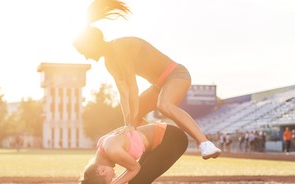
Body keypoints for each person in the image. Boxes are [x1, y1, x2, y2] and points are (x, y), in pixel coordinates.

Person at [73, 0, 221, 160]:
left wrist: (130, 123)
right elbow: (124, 94)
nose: (86, 56)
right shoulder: (109, 62)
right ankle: (153, 144)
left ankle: (206, 143)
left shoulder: (120, 48)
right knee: (133, 118)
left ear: (92, 45)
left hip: (177, 75)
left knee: (163, 105)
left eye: (84, 52)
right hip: (159, 85)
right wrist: (128, 123)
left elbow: (132, 87)